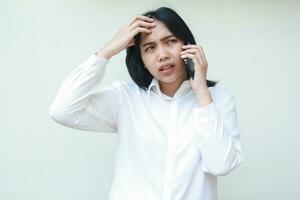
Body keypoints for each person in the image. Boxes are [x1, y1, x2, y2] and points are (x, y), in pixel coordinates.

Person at [49, 6, 243, 200]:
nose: (162, 55)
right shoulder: (125, 98)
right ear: (141, 59)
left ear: (188, 45)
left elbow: (221, 165)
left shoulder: (218, 99)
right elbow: (62, 110)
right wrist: (108, 50)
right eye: (150, 48)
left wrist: (201, 92)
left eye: (171, 41)